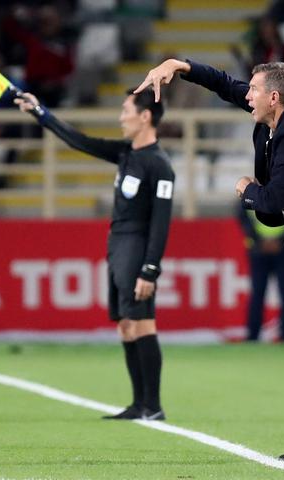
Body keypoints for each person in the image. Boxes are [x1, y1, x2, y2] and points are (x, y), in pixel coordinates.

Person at [134, 59, 284, 460]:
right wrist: (180, 66)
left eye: (253, 90)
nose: (245, 94)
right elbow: (224, 84)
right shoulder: (274, 120)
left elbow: (273, 201)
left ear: (273, 96)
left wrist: (246, 189)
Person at [14, 87, 174, 421]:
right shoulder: (127, 153)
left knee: (143, 323)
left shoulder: (159, 166)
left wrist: (149, 270)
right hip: (117, 244)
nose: (120, 117)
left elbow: (161, 223)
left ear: (145, 116)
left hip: (136, 247)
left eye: (125, 110)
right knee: (125, 325)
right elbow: (79, 141)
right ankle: (138, 403)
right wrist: (40, 112)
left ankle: (154, 405)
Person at [238, 205, 284, 342]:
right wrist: (280, 241)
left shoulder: (251, 190)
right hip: (277, 249)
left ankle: (254, 335)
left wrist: (260, 240)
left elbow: (243, 217)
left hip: (266, 249)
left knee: (261, 292)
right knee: (283, 291)